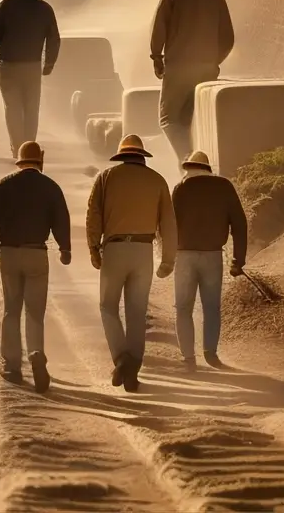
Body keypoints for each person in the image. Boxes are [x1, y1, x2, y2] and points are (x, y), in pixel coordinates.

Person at [86, 133, 177, 393]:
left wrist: (94, 248)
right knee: (137, 312)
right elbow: (168, 224)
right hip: (143, 251)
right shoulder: (157, 180)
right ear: (142, 156)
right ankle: (133, 368)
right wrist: (168, 259)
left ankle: (121, 358)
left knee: (107, 306)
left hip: (114, 249)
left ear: (121, 155)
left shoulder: (106, 177)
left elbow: (94, 215)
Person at [0, 140, 71, 393]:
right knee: (35, 311)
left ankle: (11, 367)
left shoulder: (4, 185)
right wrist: (65, 248)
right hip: (36, 253)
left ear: (19, 161)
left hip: (9, 252)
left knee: (11, 310)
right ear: (40, 160)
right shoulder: (51, 187)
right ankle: (36, 353)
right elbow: (61, 219)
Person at [150, 0, 235, 168]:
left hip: (177, 68)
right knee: (194, 117)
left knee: (169, 119)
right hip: (207, 70)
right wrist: (213, 61)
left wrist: (157, 58)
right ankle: (201, 162)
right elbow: (228, 39)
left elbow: (158, 30)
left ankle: (186, 157)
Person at [171, 150, 248, 370]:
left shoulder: (180, 189)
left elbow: (168, 225)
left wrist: (166, 256)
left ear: (189, 168)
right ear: (207, 168)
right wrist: (238, 259)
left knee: (183, 308)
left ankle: (188, 358)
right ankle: (210, 353)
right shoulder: (224, 187)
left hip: (184, 256)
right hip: (213, 255)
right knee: (211, 307)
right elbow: (239, 224)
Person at [0, 0, 60, 158]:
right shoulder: (45, 9)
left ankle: (17, 148)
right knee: (31, 108)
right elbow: (54, 39)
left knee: (12, 108)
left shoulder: (6, 6)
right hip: (33, 66)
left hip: (8, 66)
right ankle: (29, 149)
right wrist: (49, 63)